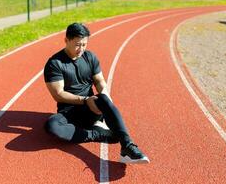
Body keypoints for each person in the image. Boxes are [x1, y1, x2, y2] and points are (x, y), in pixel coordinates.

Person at [43, 23, 149, 164]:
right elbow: (58, 94)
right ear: (66, 40)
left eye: (84, 45)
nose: (81, 49)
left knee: (104, 99)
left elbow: (99, 80)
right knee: (51, 126)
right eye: (77, 44)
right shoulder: (55, 63)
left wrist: (104, 97)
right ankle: (96, 133)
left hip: (92, 108)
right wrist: (85, 100)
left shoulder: (90, 57)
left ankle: (127, 146)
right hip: (69, 112)